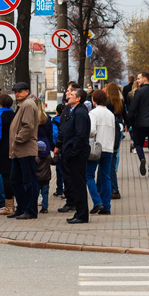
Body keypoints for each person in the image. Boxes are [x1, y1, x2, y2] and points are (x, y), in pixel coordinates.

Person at [58, 86, 91, 224]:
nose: (68, 95)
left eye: (71, 94)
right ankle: (79, 212)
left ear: (78, 98)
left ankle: (82, 215)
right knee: (75, 184)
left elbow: (80, 135)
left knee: (78, 184)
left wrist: (73, 152)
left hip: (76, 154)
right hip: (72, 153)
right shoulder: (74, 111)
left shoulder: (80, 113)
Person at [8, 82, 40, 220]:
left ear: (27, 91)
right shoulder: (23, 104)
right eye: (15, 91)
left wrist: (18, 139)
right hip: (19, 150)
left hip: (25, 149)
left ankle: (31, 210)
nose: (17, 93)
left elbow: (27, 126)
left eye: (20, 91)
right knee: (15, 180)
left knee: (28, 182)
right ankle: (21, 208)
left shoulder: (27, 104)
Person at [127, 71, 149, 177]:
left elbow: (133, 108)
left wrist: (128, 123)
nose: (137, 81)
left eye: (139, 78)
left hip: (140, 123)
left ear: (145, 79)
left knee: (138, 144)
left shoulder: (139, 92)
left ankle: (142, 158)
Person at [87, 89, 116, 215]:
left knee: (89, 175)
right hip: (108, 148)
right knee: (106, 177)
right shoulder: (110, 114)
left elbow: (92, 130)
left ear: (94, 100)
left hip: (96, 148)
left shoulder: (93, 113)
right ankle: (106, 206)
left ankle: (97, 201)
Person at [0, 92, 15, 213]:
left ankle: (9, 206)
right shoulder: (13, 114)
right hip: (14, 147)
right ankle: (15, 204)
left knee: (5, 177)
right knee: (14, 175)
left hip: (3, 149)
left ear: (2, 102)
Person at [105, 81, 126, 200]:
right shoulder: (120, 101)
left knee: (107, 161)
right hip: (119, 127)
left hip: (109, 128)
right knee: (115, 154)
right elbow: (125, 115)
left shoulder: (107, 103)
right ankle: (110, 187)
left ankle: (113, 188)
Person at [36, 139, 52, 213]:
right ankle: (44, 207)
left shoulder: (35, 158)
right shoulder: (48, 157)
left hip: (37, 178)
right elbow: (54, 162)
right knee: (45, 193)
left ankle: (34, 206)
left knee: (36, 193)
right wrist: (56, 156)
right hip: (46, 178)